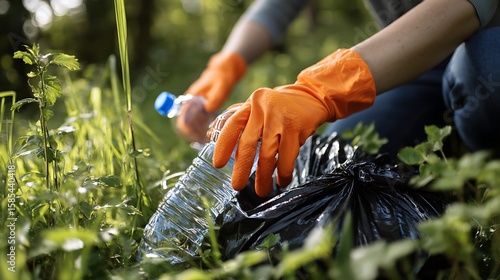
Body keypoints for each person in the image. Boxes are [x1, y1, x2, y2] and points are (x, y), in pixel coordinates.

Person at [178, 0, 500, 198]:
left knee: (483, 66)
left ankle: (484, 175)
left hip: (486, 43)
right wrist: (225, 65)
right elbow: (276, 5)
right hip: (412, 65)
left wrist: (322, 88)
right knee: (340, 159)